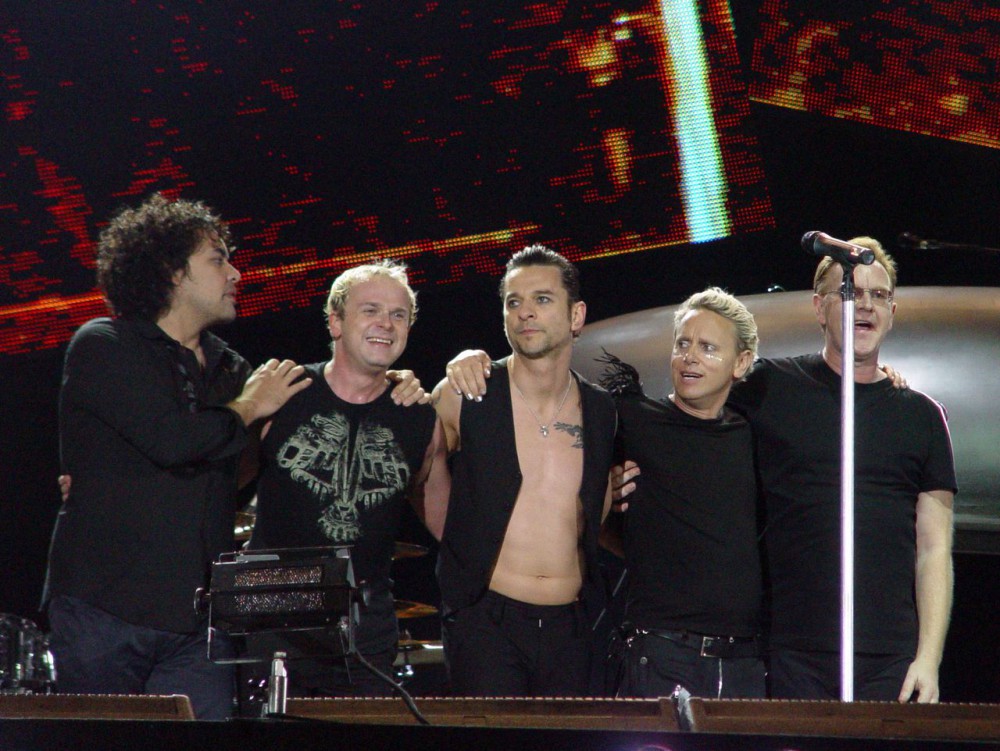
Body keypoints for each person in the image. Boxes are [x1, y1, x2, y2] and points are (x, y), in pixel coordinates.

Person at [43, 193, 312, 719]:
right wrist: (248, 407)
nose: (235, 273)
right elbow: (171, 440)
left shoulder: (230, 369)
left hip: (197, 627)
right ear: (172, 272)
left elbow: (237, 466)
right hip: (105, 613)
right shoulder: (105, 344)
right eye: (217, 260)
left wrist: (395, 383)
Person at [727, 237, 956, 702]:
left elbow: (934, 549)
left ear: (892, 312)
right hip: (789, 650)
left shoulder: (923, 416)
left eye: (879, 295)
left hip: (888, 659)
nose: (865, 304)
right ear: (819, 307)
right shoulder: (770, 386)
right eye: (851, 292)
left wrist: (928, 659)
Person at [244, 259, 450, 699]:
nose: (386, 324)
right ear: (335, 322)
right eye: (370, 310)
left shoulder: (419, 418)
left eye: (398, 315)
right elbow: (219, 485)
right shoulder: (284, 392)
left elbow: (447, 523)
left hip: (366, 631)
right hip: (272, 618)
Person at [431, 244, 617, 696]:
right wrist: (459, 553)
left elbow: (596, 507)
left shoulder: (602, 409)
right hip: (486, 623)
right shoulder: (465, 393)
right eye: (513, 302)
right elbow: (420, 478)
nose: (525, 312)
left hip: (573, 626)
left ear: (576, 316)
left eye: (542, 299)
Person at [599, 287, 766, 699]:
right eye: (683, 344)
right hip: (659, 653)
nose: (690, 357)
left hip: (743, 662)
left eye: (708, 348)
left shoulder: (753, 433)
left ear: (741, 362)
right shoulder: (632, 419)